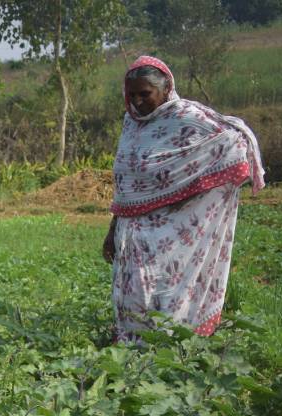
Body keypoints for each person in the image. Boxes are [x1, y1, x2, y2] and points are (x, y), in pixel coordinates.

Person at [102, 56, 265, 342]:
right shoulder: (131, 123)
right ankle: (132, 347)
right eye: (132, 94)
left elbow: (233, 140)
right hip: (132, 229)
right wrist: (113, 228)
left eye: (145, 94)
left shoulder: (186, 117)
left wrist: (186, 194)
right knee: (133, 291)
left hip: (172, 228)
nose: (138, 101)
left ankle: (168, 345)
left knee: (167, 287)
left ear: (165, 90)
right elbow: (126, 182)